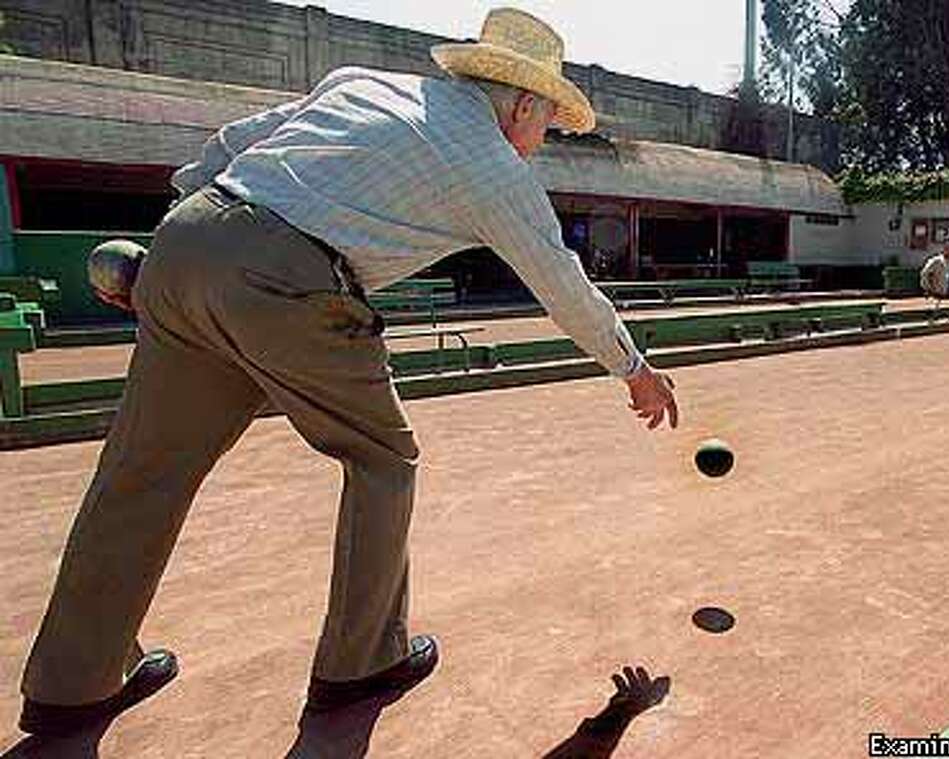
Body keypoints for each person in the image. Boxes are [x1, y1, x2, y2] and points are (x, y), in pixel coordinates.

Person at [18, 7, 679, 736]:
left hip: (189, 240)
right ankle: (362, 661)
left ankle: (71, 684)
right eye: (548, 123)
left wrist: (186, 243)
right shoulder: (491, 164)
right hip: (290, 283)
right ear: (522, 102)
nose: (543, 139)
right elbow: (561, 280)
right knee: (381, 459)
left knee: (140, 472)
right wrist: (634, 366)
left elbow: (233, 145)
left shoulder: (362, 82)